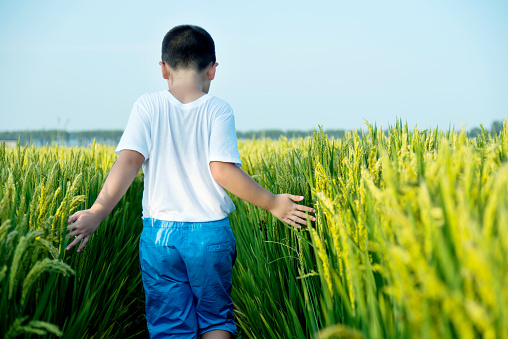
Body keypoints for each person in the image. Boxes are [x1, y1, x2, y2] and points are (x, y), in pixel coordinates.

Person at [65, 25, 316, 339]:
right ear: (212, 70)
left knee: (170, 325)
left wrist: (97, 212)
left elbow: (128, 163)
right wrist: (273, 202)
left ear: (163, 69)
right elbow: (222, 171)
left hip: (160, 237)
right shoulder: (218, 109)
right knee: (215, 319)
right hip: (209, 233)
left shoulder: (147, 106)